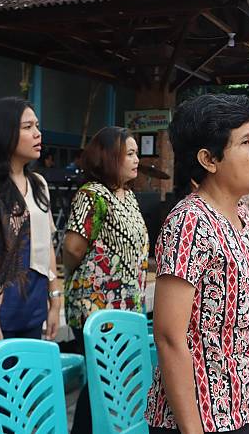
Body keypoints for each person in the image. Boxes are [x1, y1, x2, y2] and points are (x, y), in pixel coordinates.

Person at [145, 94, 249, 434]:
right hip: (199, 418)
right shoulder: (190, 222)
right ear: (209, 159)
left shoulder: (244, 219)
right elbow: (169, 337)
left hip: (241, 407)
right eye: (245, 141)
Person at [0, 97, 61, 434]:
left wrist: (55, 298)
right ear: (5, 132)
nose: (38, 133)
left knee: (23, 404)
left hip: (32, 308)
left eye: (37, 126)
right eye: (27, 126)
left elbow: (47, 244)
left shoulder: (39, 184)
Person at [63, 126, 149, 434]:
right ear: (110, 157)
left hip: (126, 307)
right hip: (95, 307)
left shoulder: (128, 196)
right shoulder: (92, 195)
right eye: (129, 154)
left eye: (136, 153)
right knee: (102, 382)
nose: (137, 159)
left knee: (112, 383)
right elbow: (73, 249)